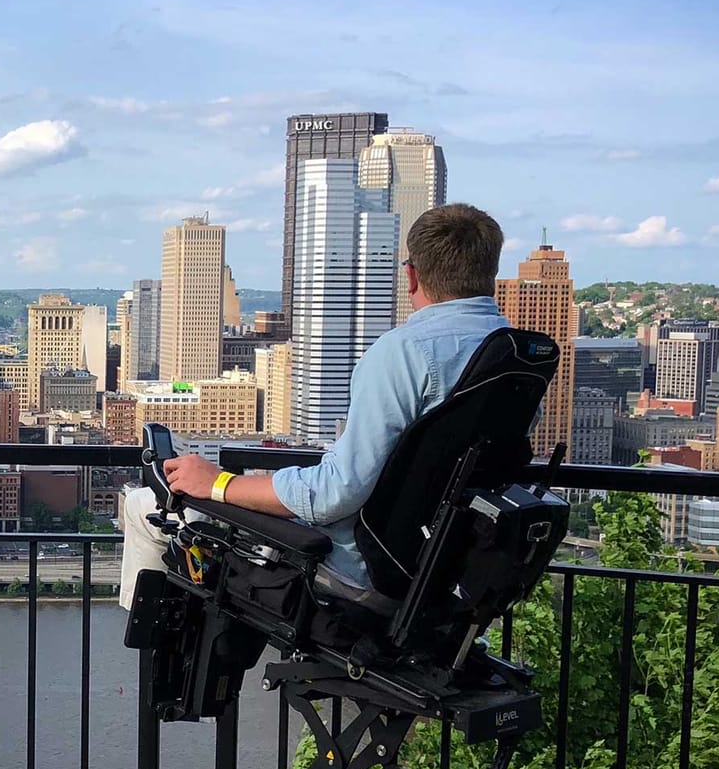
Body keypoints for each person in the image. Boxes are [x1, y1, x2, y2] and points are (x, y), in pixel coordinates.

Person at [119, 203, 512, 607]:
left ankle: (147, 643)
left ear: (411, 276)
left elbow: (336, 493)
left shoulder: (406, 351)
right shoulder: (515, 355)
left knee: (144, 506)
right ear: (490, 272)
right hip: (448, 568)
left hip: (355, 565)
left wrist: (219, 483)